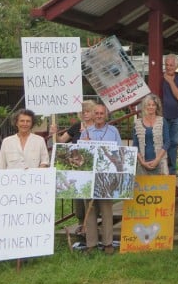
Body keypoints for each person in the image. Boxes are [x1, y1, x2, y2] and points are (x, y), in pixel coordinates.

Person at [49, 99, 97, 231]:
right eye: (83, 112)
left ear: (93, 112)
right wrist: (55, 133)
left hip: (92, 166)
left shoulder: (99, 126)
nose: (85, 114)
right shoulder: (76, 126)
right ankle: (82, 222)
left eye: (88, 111)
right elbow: (62, 141)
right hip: (76, 166)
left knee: (90, 195)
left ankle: (92, 224)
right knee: (78, 195)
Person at [80, 103, 122, 254]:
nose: (98, 116)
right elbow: (81, 155)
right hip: (90, 177)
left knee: (106, 210)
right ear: (92, 114)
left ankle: (108, 243)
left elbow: (119, 152)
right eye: (96, 113)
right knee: (90, 210)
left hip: (106, 177)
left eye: (101, 113)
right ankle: (91, 244)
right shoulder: (86, 132)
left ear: (106, 115)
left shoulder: (113, 131)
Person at [132, 94, 169, 175]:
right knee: (143, 187)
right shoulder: (137, 123)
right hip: (143, 163)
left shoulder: (162, 121)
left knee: (162, 186)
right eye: (148, 105)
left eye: (153, 105)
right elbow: (135, 145)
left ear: (157, 107)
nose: (151, 107)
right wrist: (142, 162)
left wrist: (157, 160)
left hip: (160, 162)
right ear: (144, 106)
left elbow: (167, 142)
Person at [162, 53, 178, 176]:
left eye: (171, 65)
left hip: (176, 116)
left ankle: (172, 171)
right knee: (164, 143)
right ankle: (163, 169)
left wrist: (170, 82)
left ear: (176, 66)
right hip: (163, 116)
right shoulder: (159, 77)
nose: (169, 67)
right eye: (167, 64)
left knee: (175, 143)